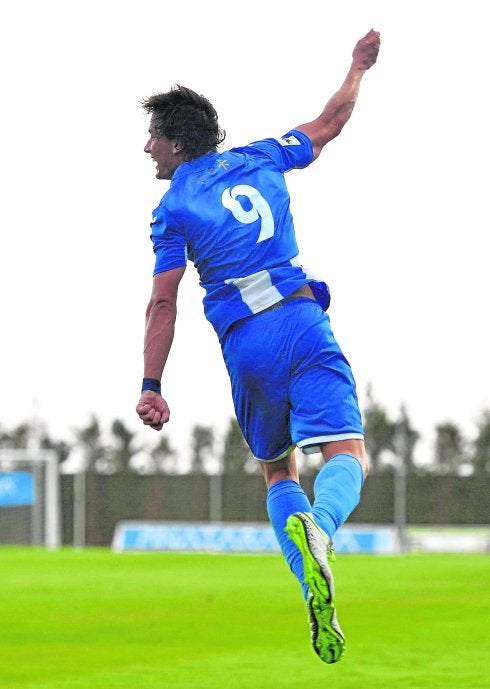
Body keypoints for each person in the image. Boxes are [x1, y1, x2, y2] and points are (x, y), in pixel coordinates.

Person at [136, 29, 380, 664]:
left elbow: (165, 302)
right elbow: (330, 122)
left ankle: (310, 580)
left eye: (154, 136)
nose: (146, 147)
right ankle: (322, 532)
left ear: (178, 143)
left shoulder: (171, 208)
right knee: (347, 450)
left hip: (247, 344)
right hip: (301, 320)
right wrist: (357, 67)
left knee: (278, 471)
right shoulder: (262, 157)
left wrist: (152, 385)